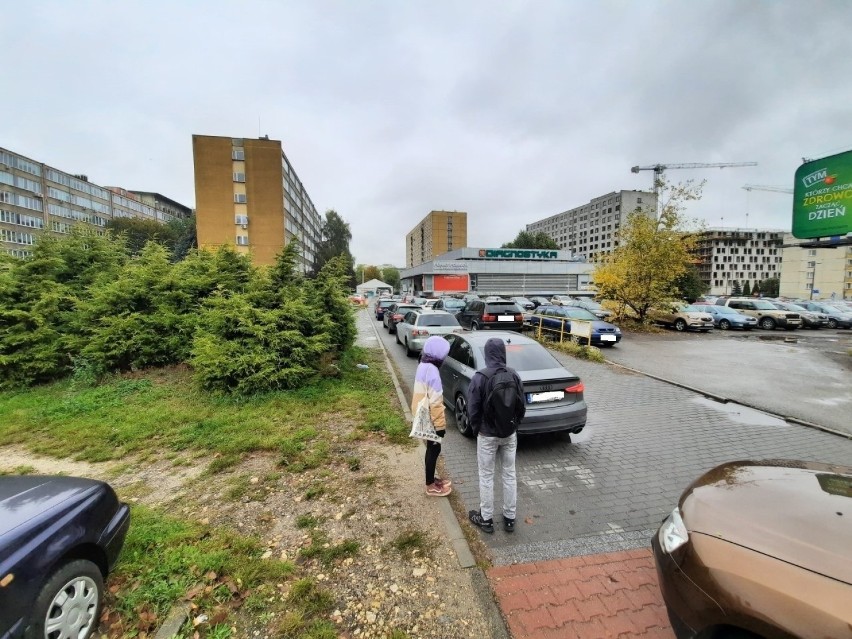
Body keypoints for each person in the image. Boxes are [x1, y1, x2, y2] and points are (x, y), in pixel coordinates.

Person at [467, 338, 525, 533]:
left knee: (486, 476)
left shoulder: (480, 377)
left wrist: (477, 430)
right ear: (503, 353)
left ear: (487, 354)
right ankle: (509, 518)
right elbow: (522, 406)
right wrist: (514, 425)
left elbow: (472, 409)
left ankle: (486, 519)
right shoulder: (514, 375)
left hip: (487, 435)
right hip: (509, 434)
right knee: (509, 474)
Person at [411, 336, 453, 497]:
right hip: (430, 416)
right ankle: (430, 486)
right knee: (434, 448)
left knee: (432, 447)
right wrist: (440, 426)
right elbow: (436, 403)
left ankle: (431, 479)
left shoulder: (423, 365)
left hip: (421, 412)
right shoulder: (433, 372)